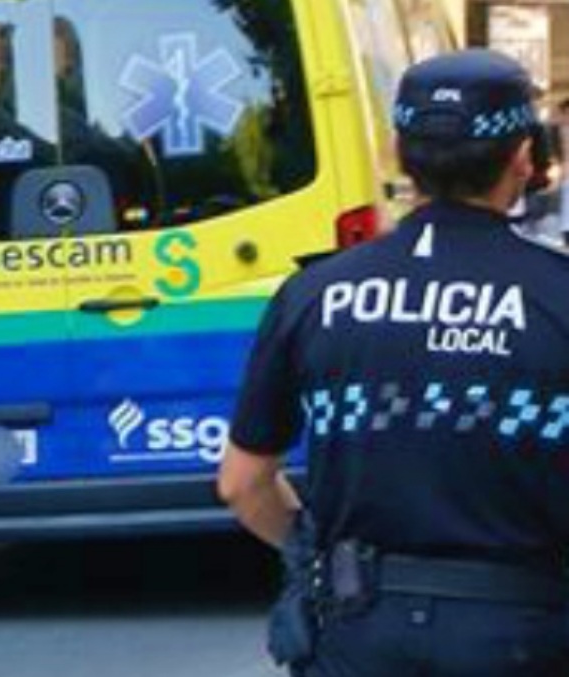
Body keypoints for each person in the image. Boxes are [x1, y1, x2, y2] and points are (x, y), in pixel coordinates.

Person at [218, 50, 569, 675]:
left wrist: (311, 553)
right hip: (521, 629)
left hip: (357, 627)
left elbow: (243, 484)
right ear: (523, 156)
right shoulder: (556, 293)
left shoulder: (314, 294)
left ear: (399, 152)